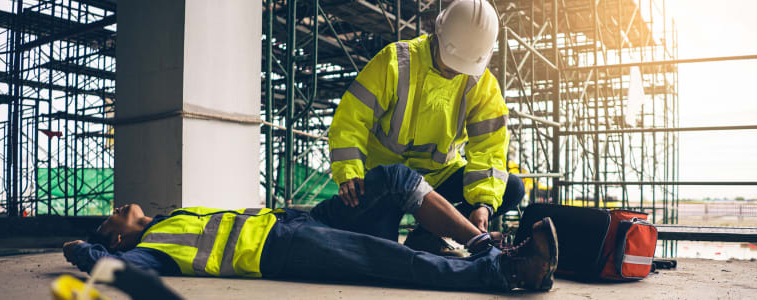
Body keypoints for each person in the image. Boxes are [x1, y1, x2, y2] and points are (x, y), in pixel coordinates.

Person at [63, 164, 558, 292]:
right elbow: (109, 267)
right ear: (118, 235)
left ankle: (482, 245)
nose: (118, 206)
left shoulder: (170, 217)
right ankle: (504, 271)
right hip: (279, 250)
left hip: (290, 221)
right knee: (385, 260)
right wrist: (82, 248)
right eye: (110, 218)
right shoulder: (149, 249)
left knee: (391, 181)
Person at [327, 0, 524, 255]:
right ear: (437, 34)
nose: (455, 71)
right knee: (382, 251)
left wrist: (482, 204)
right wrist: (349, 172)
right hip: (389, 181)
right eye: (451, 62)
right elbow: (351, 119)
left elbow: (489, 149)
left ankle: (428, 236)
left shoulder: (483, 86)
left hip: (438, 177)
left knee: (512, 187)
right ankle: (402, 230)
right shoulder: (396, 62)